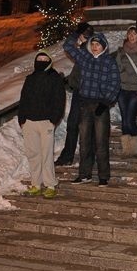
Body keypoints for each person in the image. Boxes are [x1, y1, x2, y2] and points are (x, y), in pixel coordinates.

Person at [63, 29, 121, 187]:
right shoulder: (85, 58)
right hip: (85, 105)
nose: (95, 47)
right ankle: (84, 174)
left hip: (100, 106)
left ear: (104, 47)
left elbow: (115, 84)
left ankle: (103, 176)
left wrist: (106, 102)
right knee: (84, 141)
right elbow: (68, 46)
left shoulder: (109, 62)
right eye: (93, 44)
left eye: (98, 44)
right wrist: (77, 35)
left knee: (101, 142)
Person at [17, 51, 66, 199]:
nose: (42, 61)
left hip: (46, 122)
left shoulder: (55, 78)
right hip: (29, 122)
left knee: (46, 154)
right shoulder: (30, 79)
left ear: (50, 61)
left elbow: (59, 100)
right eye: (40, 59)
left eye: (45, 59)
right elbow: (23, 99)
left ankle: (50, 184)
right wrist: (22, 119)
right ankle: (36, 184)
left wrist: (54, 119)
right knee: (33, 154)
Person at [55, 21, 94, 166]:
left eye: (84, 34)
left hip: (88, 93)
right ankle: (68, 156)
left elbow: (68, 46)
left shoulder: (88, 50)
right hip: (79, 91)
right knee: (73, 124)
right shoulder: (84, 49)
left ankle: (82, 158)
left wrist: (76, 34)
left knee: (84, 126)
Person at [113, 25, 137, 157]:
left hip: (136, 90)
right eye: (130, 34)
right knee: (124, 119)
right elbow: (117, 69)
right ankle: (127, 148)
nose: (132, 36)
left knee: (129, 119)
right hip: (122, 89)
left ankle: (136, 146)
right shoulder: (121, 51)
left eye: (134, 34)